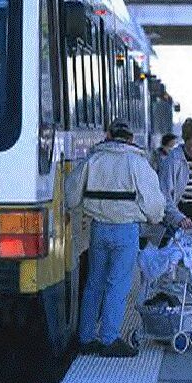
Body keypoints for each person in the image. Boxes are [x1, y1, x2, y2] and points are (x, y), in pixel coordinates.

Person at [65, 118, 165, 358]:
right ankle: (109, 339)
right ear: (130, 139)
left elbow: (71, 193)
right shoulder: (138, 163)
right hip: (125, 230)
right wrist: (155, 218)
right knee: (117, 285)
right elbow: (154, 203)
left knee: (94, 283)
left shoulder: (93, 160)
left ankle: (85, 338)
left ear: (108, 135)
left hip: (98, 228)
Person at [158, 118, 192, 230]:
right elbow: (163, 194)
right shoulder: (174, 159)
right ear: (185, 141)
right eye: (191, 146)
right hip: (175, 214)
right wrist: (178, 217)